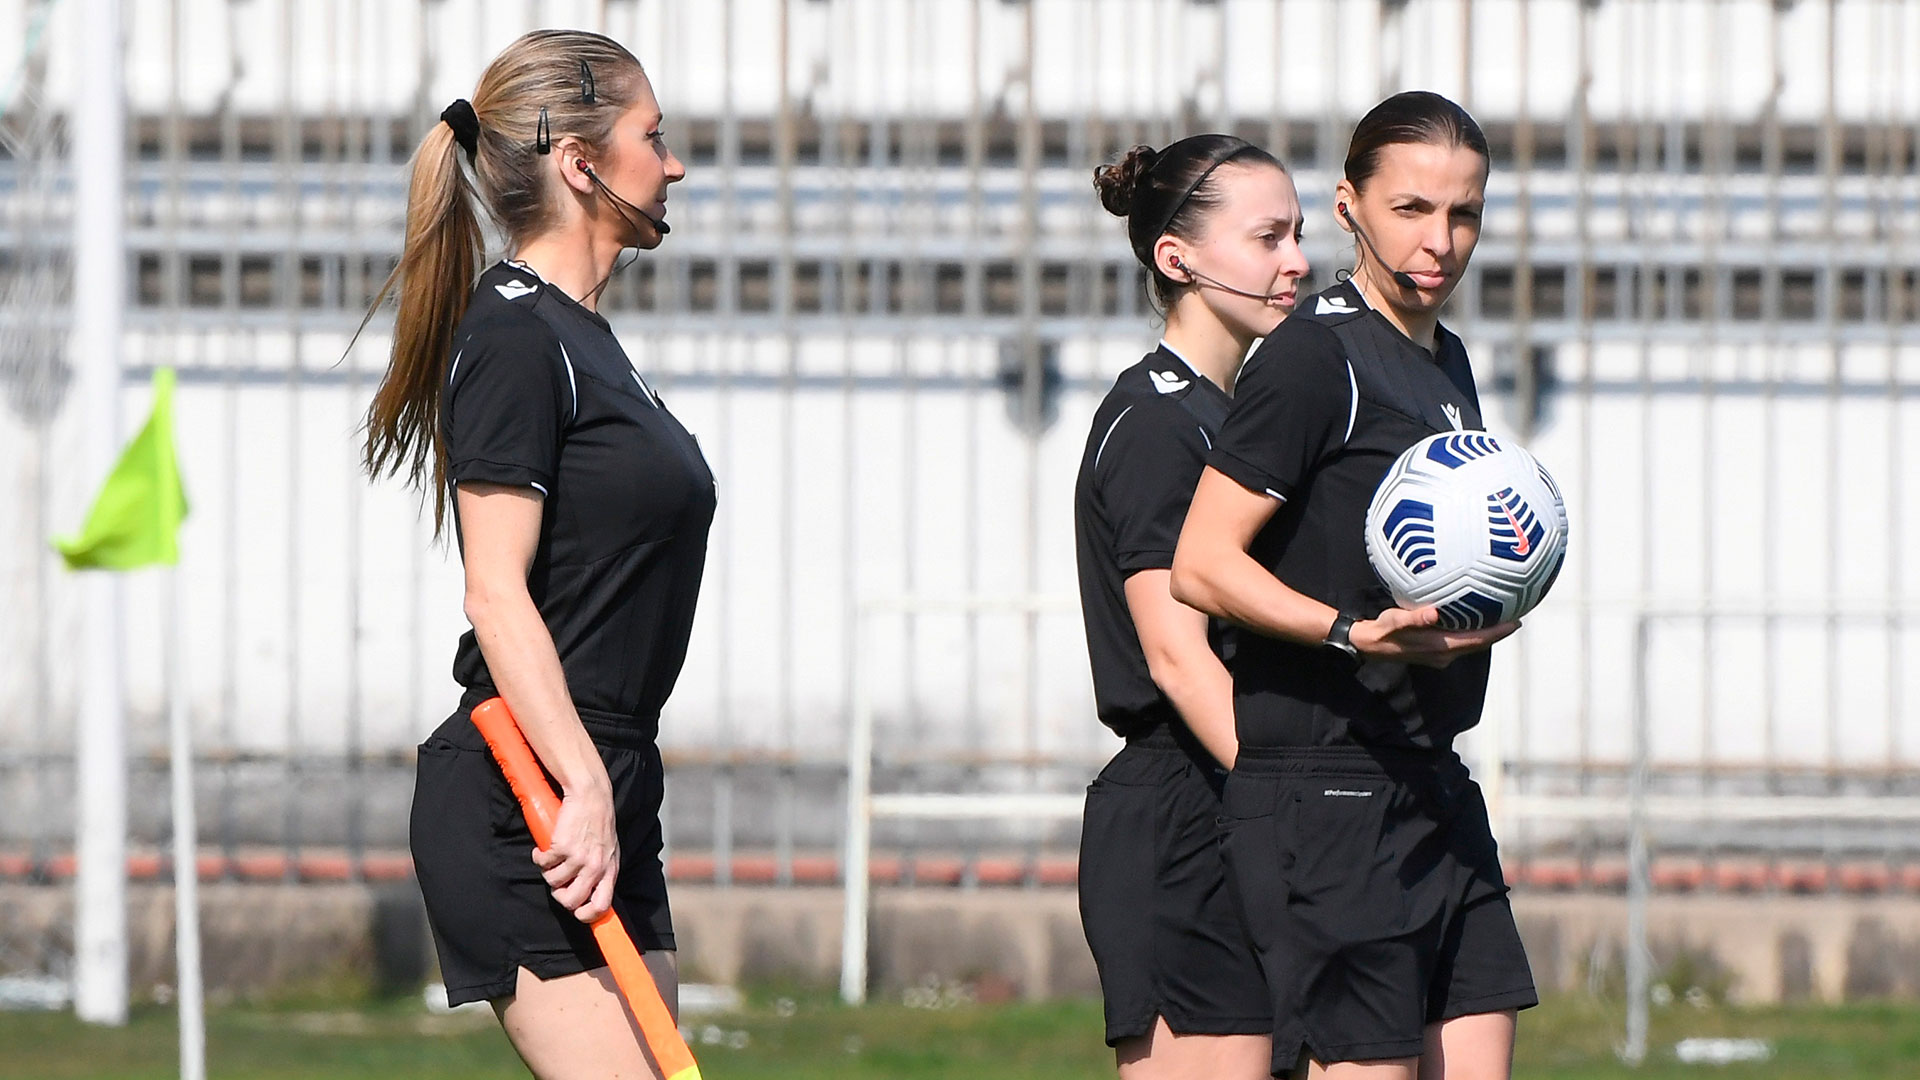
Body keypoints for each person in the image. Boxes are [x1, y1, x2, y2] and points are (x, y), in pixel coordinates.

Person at [1169, 92, 1537, 1079]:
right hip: (1327, 794)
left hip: (1432, 780)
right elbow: (1201, 565)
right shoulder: (1313, 357)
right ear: (1349, 208)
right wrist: (1349, 633)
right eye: (1411, 209)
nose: (1441, 240)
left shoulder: (1445, 363)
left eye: (1463, 213)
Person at [359, 29, 705, 1078]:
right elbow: (495, 591)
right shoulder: (516, 335)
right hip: (533, 789)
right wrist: (584, 785)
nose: (677, 162)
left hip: (605, 778)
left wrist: (610, 786)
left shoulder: (583, 337)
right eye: (654, 135)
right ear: (582, 163)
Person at [1075, 133, 1310, 1080]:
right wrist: (1294, 809)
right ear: (1179, 258)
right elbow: (1177, 657)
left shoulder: (1231, 415)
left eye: (1297, 235)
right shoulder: (1156, 423)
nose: (1296, 261)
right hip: (1187, 811)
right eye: (1267, 239)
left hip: (1235, 796)